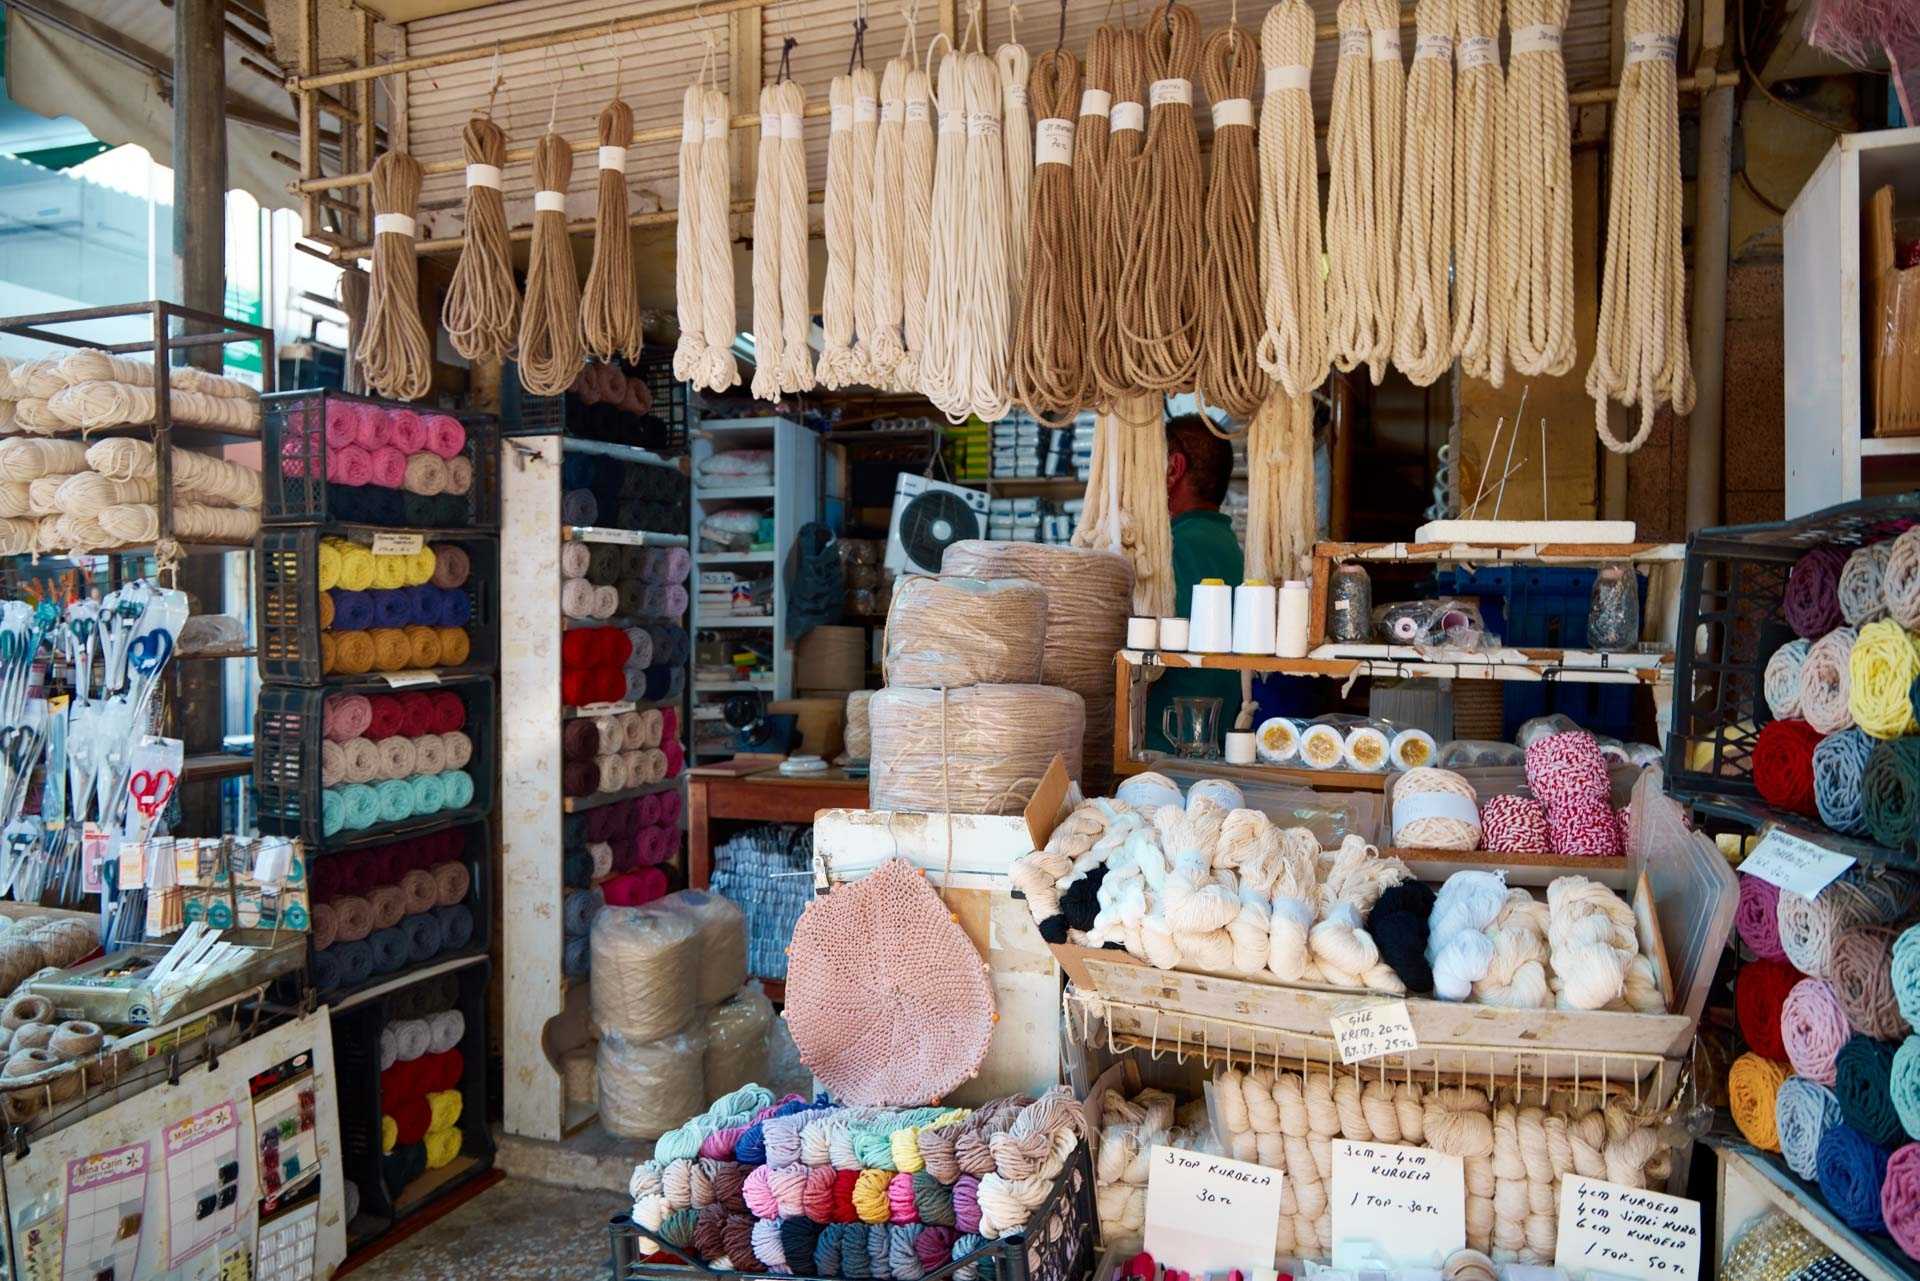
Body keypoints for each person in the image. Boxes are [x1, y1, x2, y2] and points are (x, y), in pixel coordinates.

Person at [1145, 415, 1245, 753]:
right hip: (1217, 744)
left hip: (1167, 747)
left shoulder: (1171, 549)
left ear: (1173, 469)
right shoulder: (1230, 546)